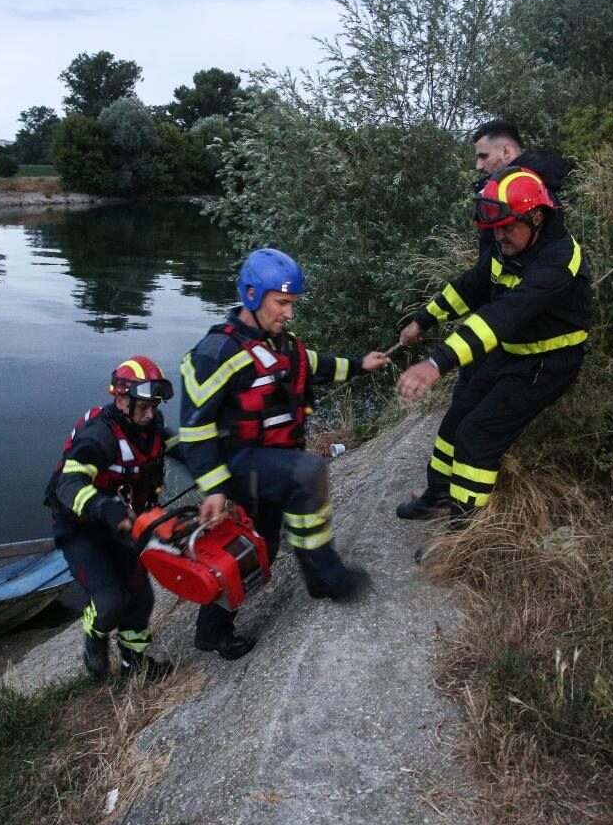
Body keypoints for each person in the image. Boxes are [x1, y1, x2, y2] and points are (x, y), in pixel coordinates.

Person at [178, 248, 391, 659]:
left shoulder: (282, 345)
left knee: (261, 546)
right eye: (282, 303)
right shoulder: (216, 354)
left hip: (272, 462)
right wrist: (215, 488)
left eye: (292, 304)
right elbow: (194, 428)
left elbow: (316, 365)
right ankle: (323, 574)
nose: (289, 313)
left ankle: (212, 629)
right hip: (240, 464)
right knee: (308, 472)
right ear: (252, 294)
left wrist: (361, 365)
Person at [393, 161, 592, 521]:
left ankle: (464, 532)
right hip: (511, 352)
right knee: (455, 422)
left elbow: (501, 317)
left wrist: (437, 363)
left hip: (547, 364)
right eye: (494, 230)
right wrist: (423, 320)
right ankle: (438, 497)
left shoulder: (558, 261)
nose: (499, 238)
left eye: (506, 228)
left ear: (536, 217)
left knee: (476, 435)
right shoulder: (512, 246)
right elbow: (473, 286)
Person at [44, 357, 180, 680]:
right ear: (121, 399)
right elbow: (68, 484)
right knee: (109, 603)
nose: (151, 414)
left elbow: (184, 450)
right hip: (82, 528)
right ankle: (94, 631)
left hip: (122, 525)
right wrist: (109, 509)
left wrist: (215, 475)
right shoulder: (99, 435)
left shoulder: (153, 427)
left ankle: (134, 665)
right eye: (144, 407)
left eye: (155, 406)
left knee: (141, 597)